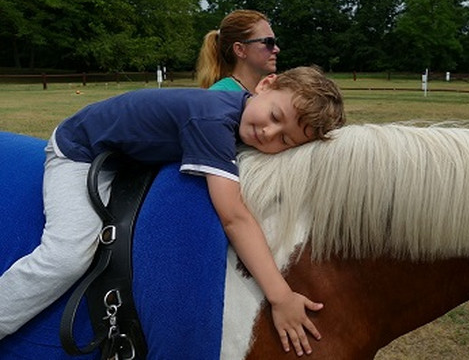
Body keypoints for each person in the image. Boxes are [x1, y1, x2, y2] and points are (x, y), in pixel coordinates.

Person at [0, 66, 345, 355]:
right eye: (274, 116)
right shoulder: (211, 120)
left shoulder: (239, 113)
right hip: (80, 151)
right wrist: (280, 295)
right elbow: (233, 216)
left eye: (285, 140)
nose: (269, 133)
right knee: (67, 254)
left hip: (125, 160)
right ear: (265, 84)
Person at [196, 9, 281, 93]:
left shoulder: (262, 93)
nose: (277, 49)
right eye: (269, 42)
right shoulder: (220, 95)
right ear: (240, 50)